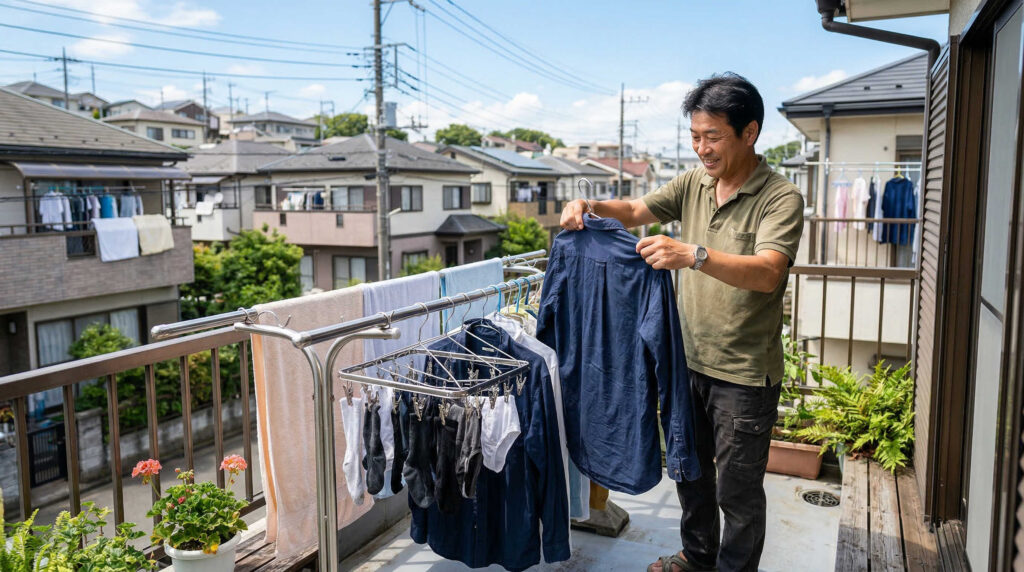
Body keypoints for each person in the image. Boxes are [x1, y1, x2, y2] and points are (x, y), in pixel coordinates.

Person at [559, 73, 804, 572]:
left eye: (712, 136)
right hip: (683, 362)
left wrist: (693, 254)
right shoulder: (694, 183)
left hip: (743, 374)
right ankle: (696, 558)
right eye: (695, 136)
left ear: (750, 132)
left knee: (737, 492)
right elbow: (635, 209)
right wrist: (588, 206)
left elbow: (767, 272)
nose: (701, 149)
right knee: (690, 473)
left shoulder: (780, 197)